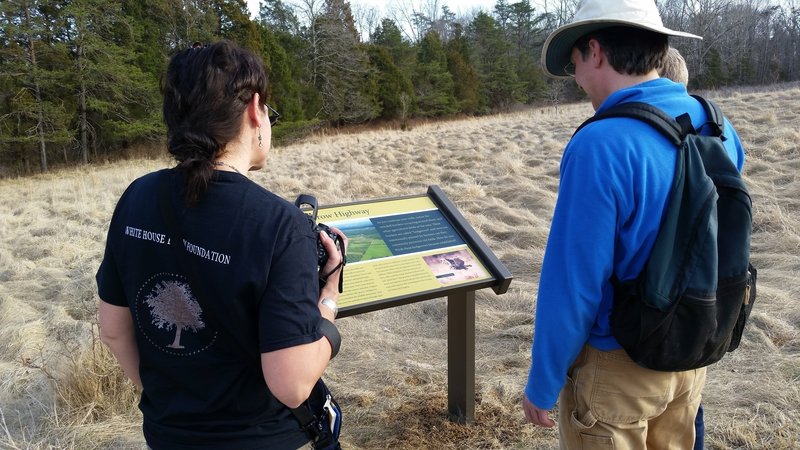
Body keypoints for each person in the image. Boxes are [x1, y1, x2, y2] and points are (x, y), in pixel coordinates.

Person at [96, 40, 347, 449]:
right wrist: (329, 300)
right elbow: (293, 384)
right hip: (262, 437)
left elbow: (112, 330)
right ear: (254, 109)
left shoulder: (136, 197)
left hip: (167, 433)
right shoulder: (280, 225)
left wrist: (171, 401)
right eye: (270, 113)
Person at [521, 1, 746, 448]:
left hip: (616, 368)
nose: (578, 77)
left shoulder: (600, 144)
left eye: (575, 63)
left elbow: (574, 282)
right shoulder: (716, 124)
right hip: (690, 353)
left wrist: (543, 383)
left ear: (596, 51)